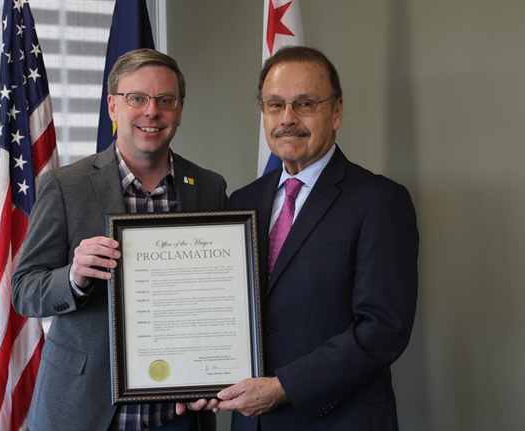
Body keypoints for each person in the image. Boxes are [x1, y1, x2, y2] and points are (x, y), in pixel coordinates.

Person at [179, 46, 418, 430]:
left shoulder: (379, 200)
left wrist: (284, 387)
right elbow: (224, 312)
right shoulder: (242, 202)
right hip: (251, 422)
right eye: (274, 105)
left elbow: (383, 328)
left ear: (336, 111)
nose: (287, 119)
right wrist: (199, 375)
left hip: (340, 420)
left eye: (304, 103)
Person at [11, 48, 228, 431]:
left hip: (177, 414)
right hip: (84, 410)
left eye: (165, 100)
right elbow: (24, 291)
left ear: (179, 110)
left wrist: (216, 369)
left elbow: (221, 297)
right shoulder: (66, 186)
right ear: (113, 107)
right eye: (137, 98)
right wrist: (74, 278)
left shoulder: (209, 187)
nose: (151, 111)